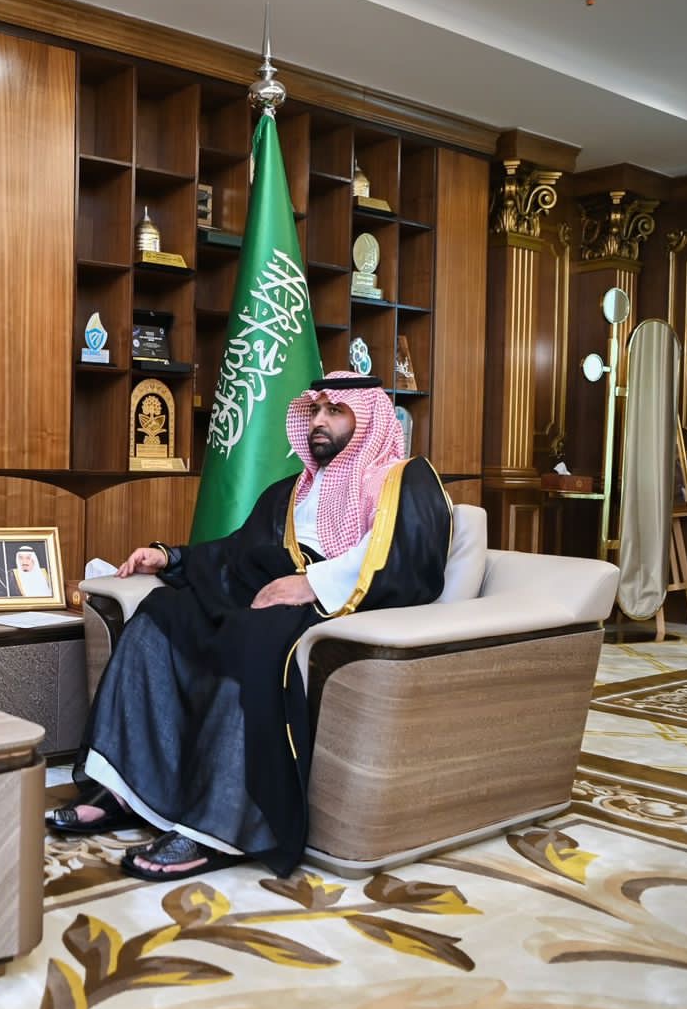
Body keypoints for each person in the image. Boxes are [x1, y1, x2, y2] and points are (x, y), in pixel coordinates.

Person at [47, 373, 450, 882]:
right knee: (161, 616)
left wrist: (311, 584)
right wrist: (171, 558)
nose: (319, 421)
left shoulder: (403, 479)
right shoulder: (291, 490)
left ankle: (217, 827)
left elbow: (408, 556)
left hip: (334, 605)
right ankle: (123, 789)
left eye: (335, 411)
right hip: (263, 592)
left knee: (250, 642)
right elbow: (237, 552)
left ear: (368, 418)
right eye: (315, 410)